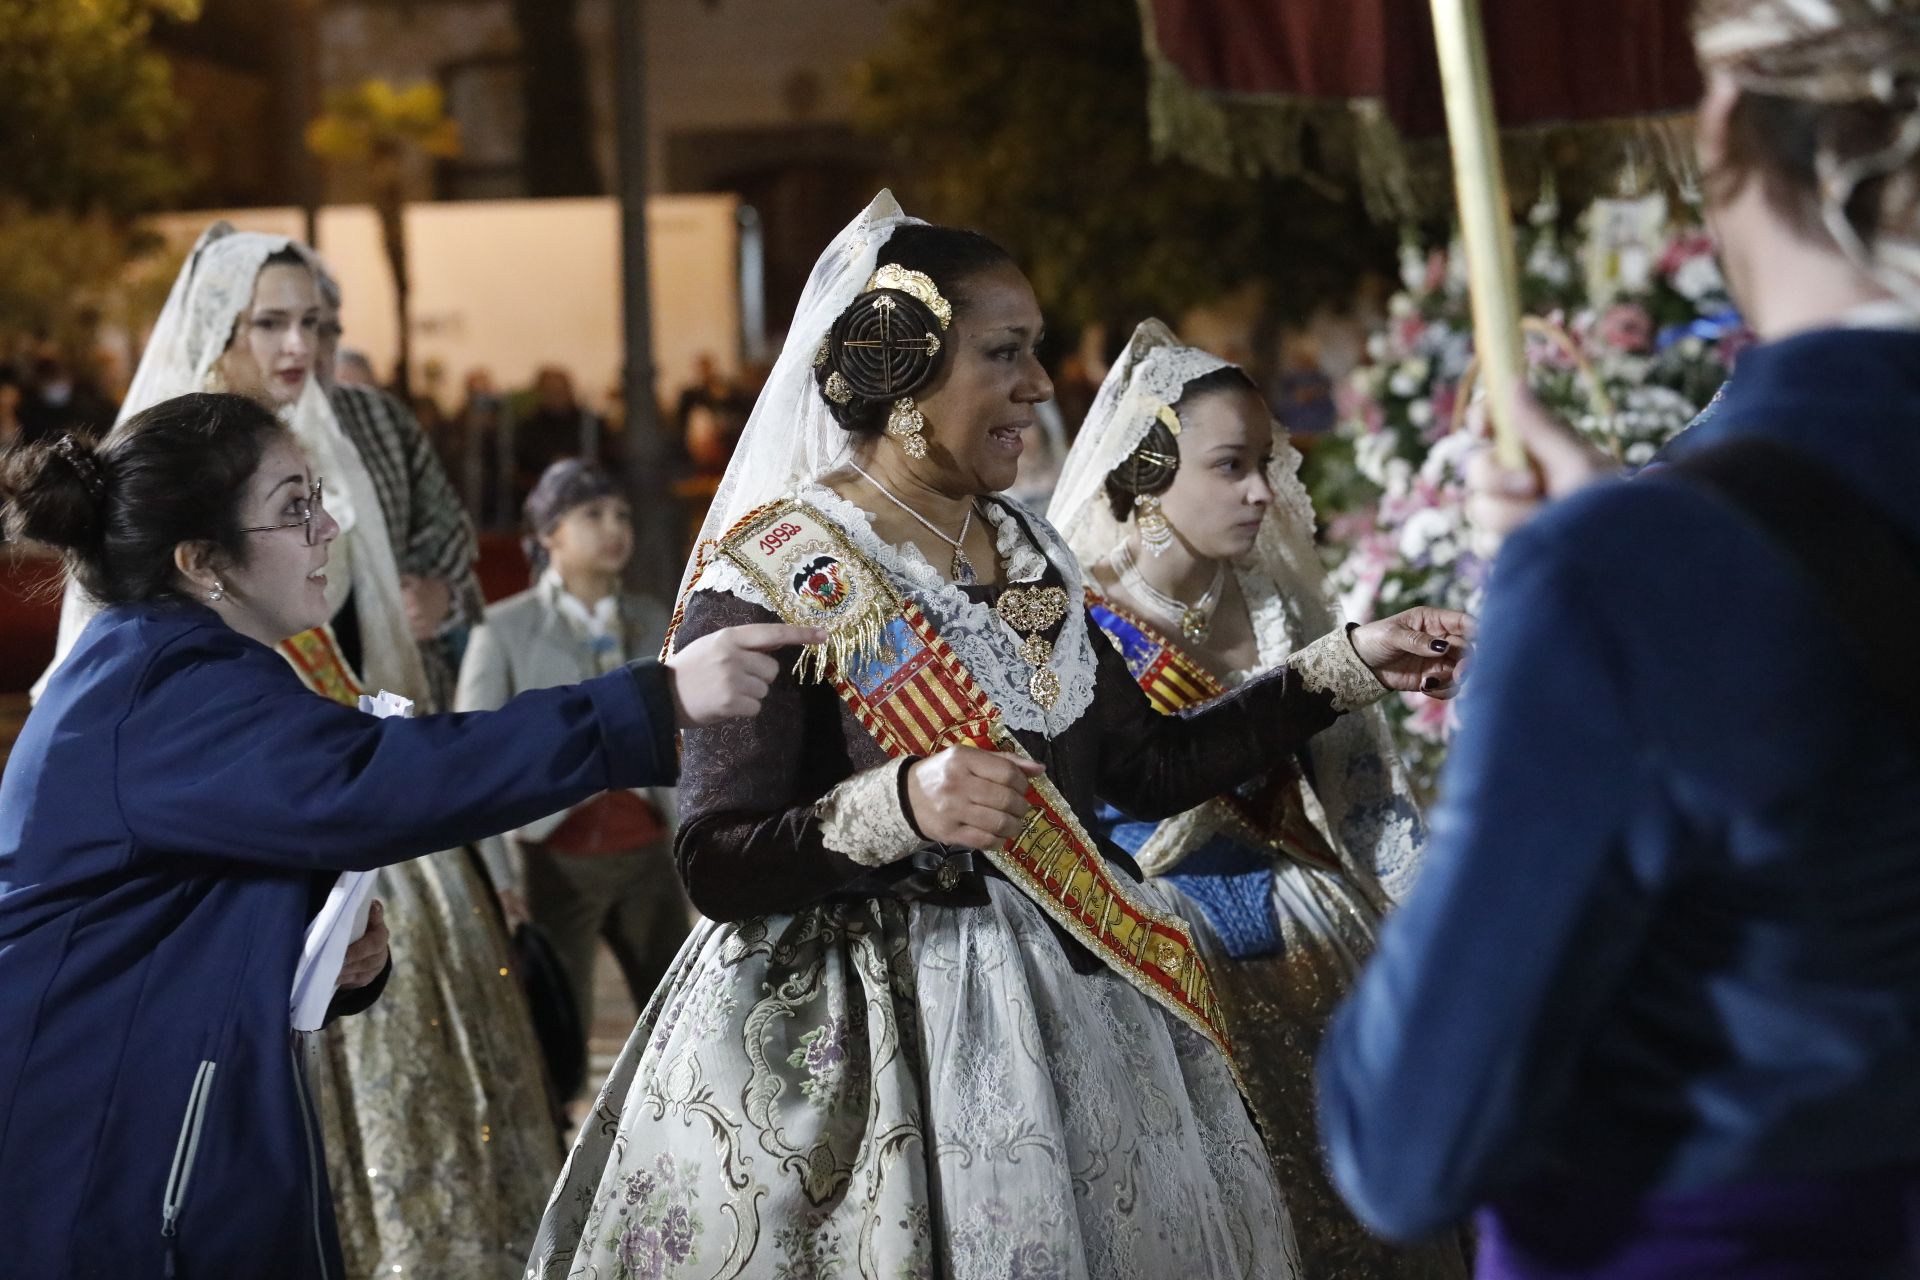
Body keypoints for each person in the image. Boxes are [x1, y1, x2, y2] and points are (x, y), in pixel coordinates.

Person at [528, 192, 1467, 1278]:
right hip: (868, 1051)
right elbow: (716, 858)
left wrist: (1347, 664)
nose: (1039, 384)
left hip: (1081, 1013)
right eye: (1006, 352)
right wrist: (899, 805)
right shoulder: (777, 569)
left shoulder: (1026, 552)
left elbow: (1145, 768)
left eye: (1036, 350)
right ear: (906, 367)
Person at [1318, 3, 1920, 1276]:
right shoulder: (1653, 552)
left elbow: (1408, 1139)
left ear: (1729, 136)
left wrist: (1582, 599)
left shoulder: (1632, 576)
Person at [0, 390, 811, 1279]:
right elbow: (379, 781)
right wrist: (653, 701)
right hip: (100, 1148)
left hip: (144, 1117)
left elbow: (182, 901)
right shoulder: (163, 683)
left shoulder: (173, 663)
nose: (330, 528)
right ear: (201, 561)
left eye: (318, 497)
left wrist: (317, 955)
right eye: (294, 508)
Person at [36, 225, 533, 1278]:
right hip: (254, 833)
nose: (298, 344)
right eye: (271, 322)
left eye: (314, 320)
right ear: (219, 329)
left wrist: (435, 611)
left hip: (352, 803)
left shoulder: (347, 439)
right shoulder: (163, 477)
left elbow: (404, 613)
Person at [1048, 319, 1469, 1279]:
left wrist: (1439, 937)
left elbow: (1366, 805)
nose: (1260, 492)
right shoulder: (1077, 618)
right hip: (1146, 939)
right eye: (1230, 466)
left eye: (1266, 465)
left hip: (1311, 925)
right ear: (1149, 477)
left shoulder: (1288, 609)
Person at [456, 458, 692, 1082]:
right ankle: (563, 1131)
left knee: (681, 1013)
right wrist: (498, 877)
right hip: (554, 857)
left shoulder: (652, 617)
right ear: (549, 533)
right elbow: (474, 760)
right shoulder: (504, 629)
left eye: (622, 515)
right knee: (558, 1026)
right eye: (592, 515)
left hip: (647, 847)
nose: (614, 528)